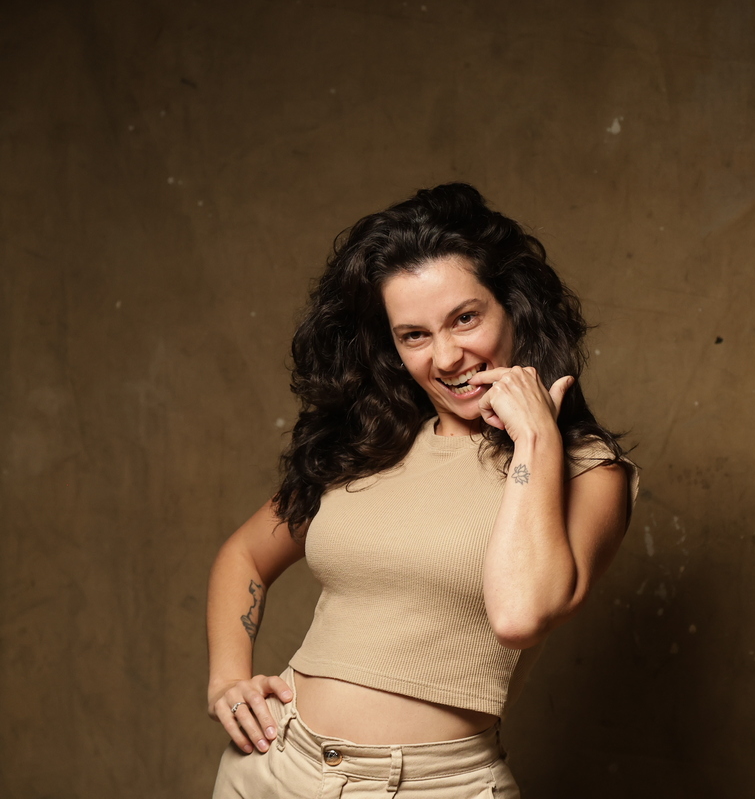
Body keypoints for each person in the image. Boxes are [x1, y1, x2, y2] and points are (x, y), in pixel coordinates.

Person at [206, 183, 636, 798]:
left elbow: (520, 616)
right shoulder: (370, 442)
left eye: (465, 318)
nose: (447, 356)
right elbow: (244, 555)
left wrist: (536, 436)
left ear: (515, 309)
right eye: (414, 335)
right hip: (272, 768)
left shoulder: (588, 471)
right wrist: (227, 680)